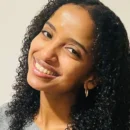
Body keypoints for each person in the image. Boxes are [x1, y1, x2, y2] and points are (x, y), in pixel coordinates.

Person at [0, 0, 130, 130]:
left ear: (93, 78)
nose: (46, 54)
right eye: (47, 34)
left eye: (72, 50)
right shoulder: (5, 119)